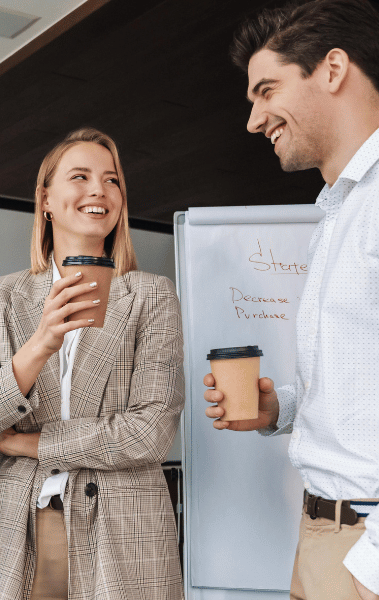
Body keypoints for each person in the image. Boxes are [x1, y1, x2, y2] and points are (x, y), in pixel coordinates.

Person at [0, 128, 184, 600]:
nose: (100, 190)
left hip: (125, 539)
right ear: (46, 199)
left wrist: (31, 443)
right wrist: (38, 346)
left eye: (112, 180)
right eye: (81, 176)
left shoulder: (151, 295)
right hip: (18, 531)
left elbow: (150, 433)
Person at [203, 1, 379, 599]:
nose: (254, 120)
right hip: (323, 538)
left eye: (266, 90)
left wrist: (369, 571)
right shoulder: (339, 213)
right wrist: (281, 410)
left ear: (332, 69)